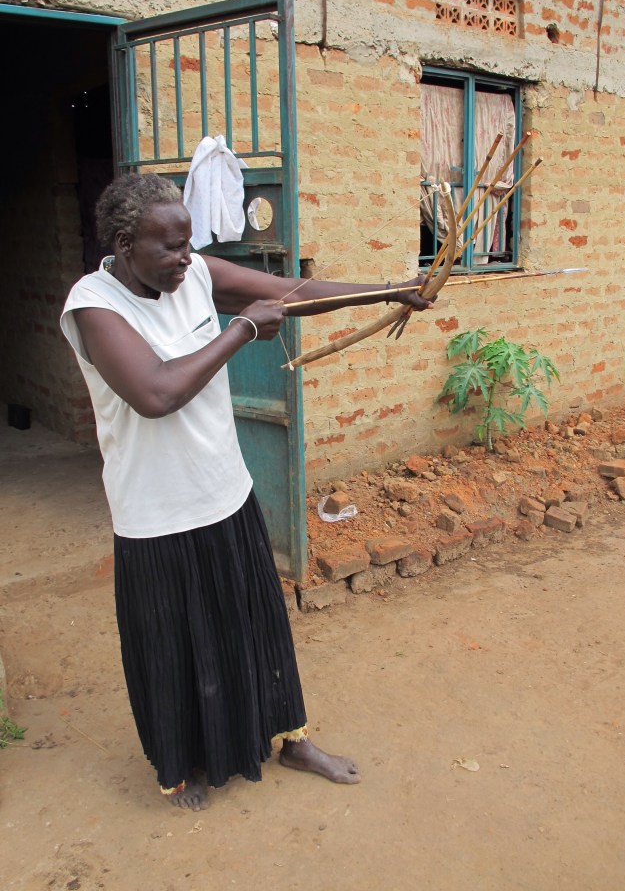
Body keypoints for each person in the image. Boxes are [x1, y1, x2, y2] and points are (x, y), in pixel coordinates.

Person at [60, 173, 433, 811]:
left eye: (189, 244)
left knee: (257, 628)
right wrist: (239, 331)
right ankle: (185, 765)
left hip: (224, 490)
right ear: (124, 245)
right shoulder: (95, 307)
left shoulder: (195, 275)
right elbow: (156, 394)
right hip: (155, 513)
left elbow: (293, 292)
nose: (187, 258)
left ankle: (292, 740)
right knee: (175, 644)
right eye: (171, 248)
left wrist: (387, 291)